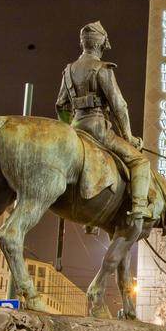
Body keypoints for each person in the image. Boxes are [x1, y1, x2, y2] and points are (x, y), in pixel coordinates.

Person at [56, 21, 152, 223]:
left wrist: (67, 132)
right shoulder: (102, 69)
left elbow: (61, 105)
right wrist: (129, 137)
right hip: (98, 130)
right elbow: (119, 106)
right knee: (141, 162)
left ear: (83, 44)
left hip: (75, 128)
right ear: (100, 45)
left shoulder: (68, 71)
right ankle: (139, 207)